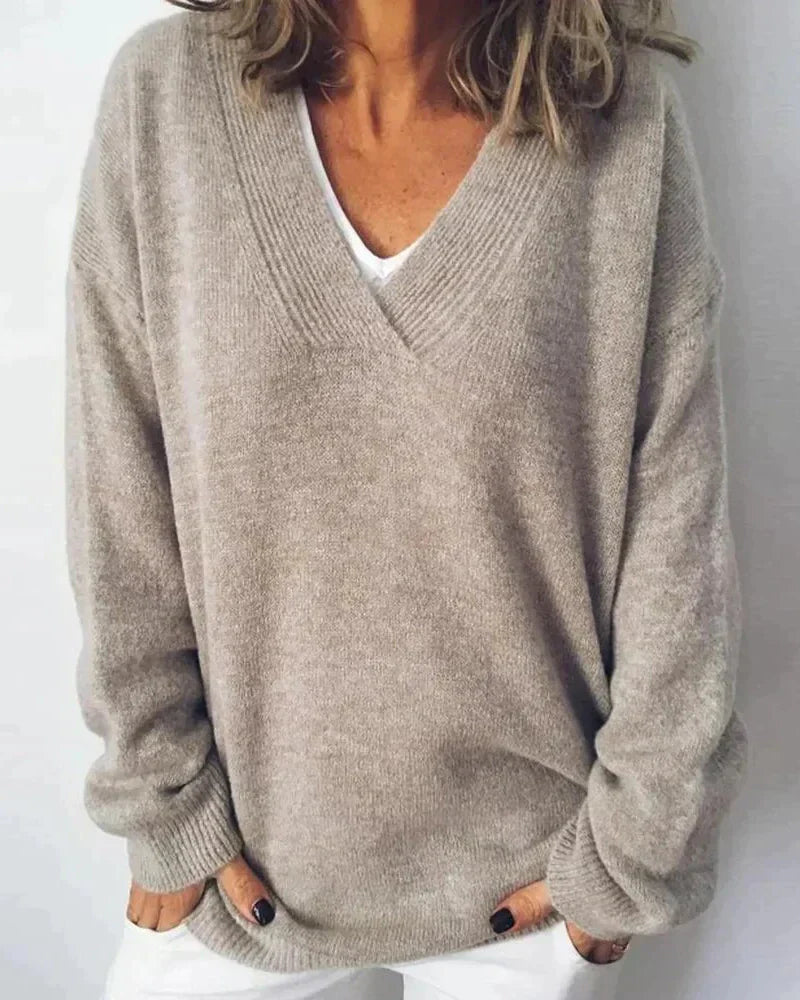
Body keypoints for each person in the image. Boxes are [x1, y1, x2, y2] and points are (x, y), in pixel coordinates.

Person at [63, 1, 750, 998]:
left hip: (533, 888)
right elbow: (119, 493)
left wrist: (631, 857)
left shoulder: (618, 119)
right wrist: (162, 803)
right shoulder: (162, 102)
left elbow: (677, 534)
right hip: (234, 872)